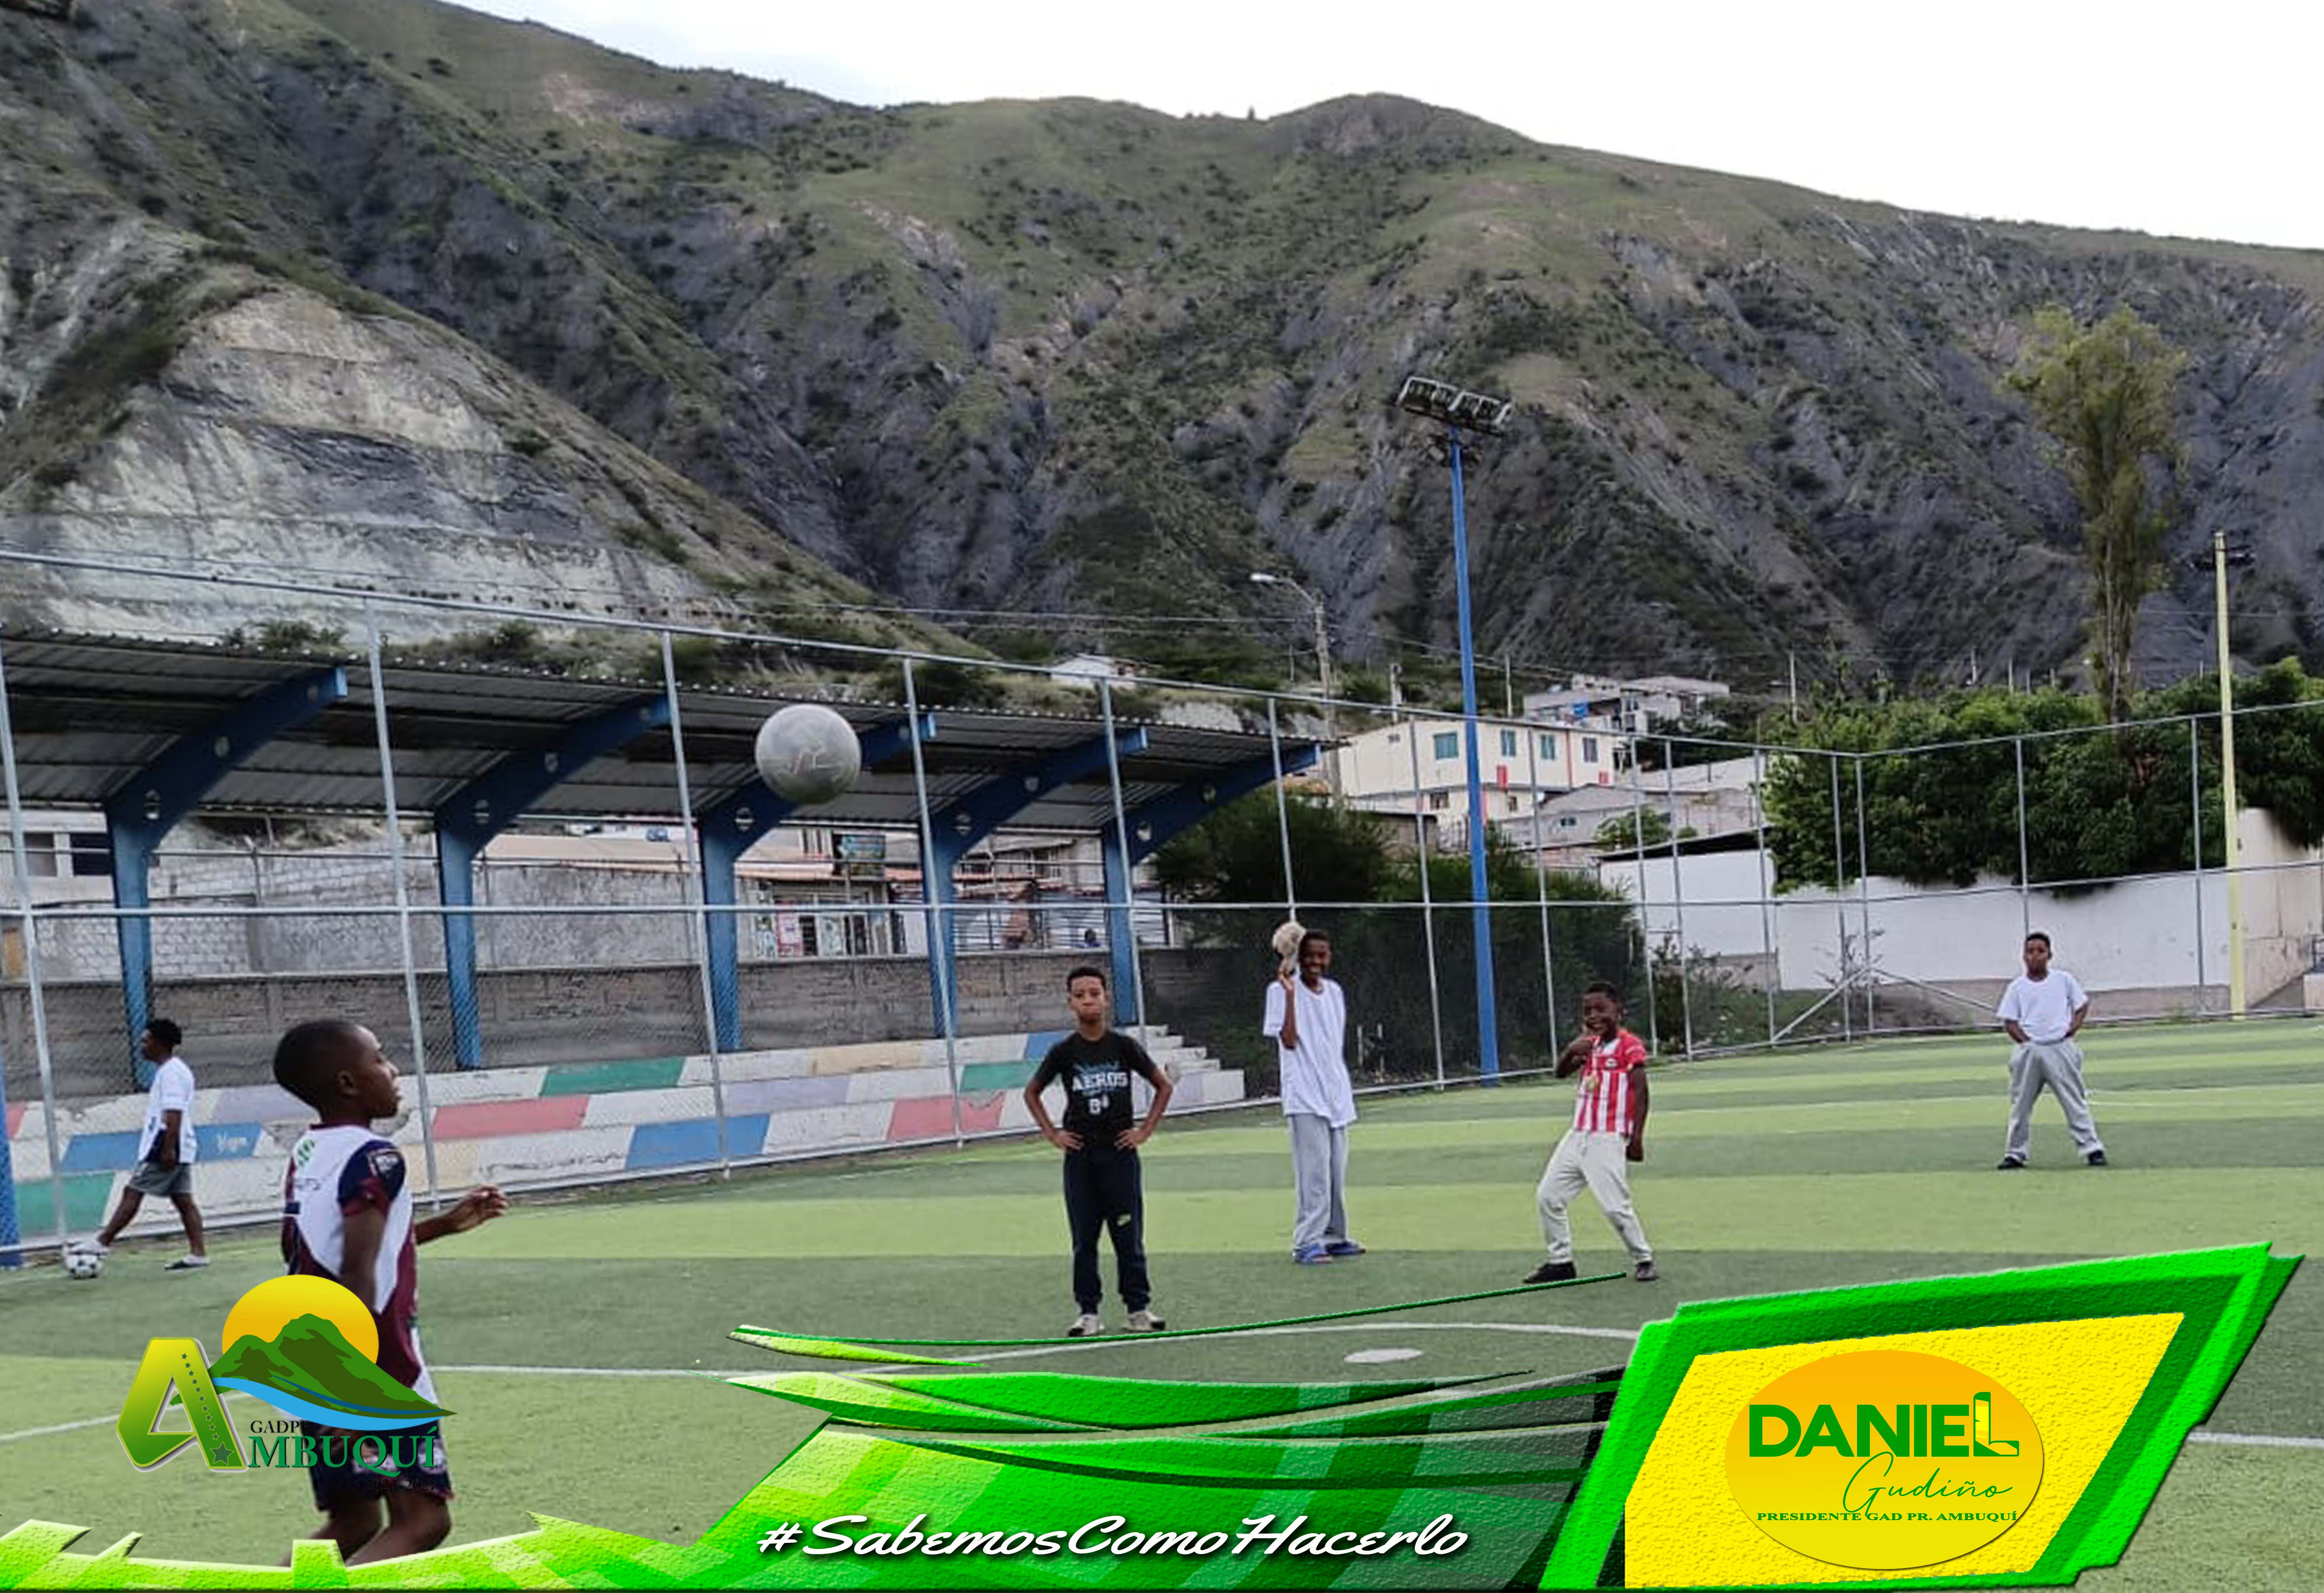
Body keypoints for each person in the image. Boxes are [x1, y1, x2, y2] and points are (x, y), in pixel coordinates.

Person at [273, 1019, 507, 1565]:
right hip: (374, 1364)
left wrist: (442, 1226)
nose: (393, 1069)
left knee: (354, 1522)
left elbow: (324, 1249)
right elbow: (357, 1270)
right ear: (348, 1083)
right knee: (422, 1521)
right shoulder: (378, 1157)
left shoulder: (307, 1152)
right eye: (379, 1058)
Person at [1024, 967, 1173, 1337]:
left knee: (1128, 1236)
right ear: (1070, 1003)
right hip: (1081, 1159)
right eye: (1080, 995)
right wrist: (1053, 1134)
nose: (1088, 1000)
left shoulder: (1124, 1047)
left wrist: (1144, 1131)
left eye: (1094, 993)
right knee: (1084, 1240)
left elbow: (1163, 1086)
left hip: (1120, 1156)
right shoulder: (1064, 1052)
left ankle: (1138, 1309)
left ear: (1106, 999)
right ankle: (1088, 1313)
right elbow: (1032, 1093)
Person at [1526, 981, 1658, 1285]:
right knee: (1548, 1196)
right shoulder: (1589, 1045)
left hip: (1607, 1137)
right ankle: (1561, 1262)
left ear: (1619, 1011)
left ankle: (1644, 1258)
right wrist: (1571, 1051)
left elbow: (1641, 1093)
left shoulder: (1629, 1046)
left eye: (1601, 1009)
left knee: (1614, 1207)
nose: (1594, 1016)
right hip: (1578, 1134)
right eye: (1588, 1011)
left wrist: (1636, 1138)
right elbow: (1560, 1073)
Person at [70, 1019, 209, 1270]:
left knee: (133, 1191)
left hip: (166, 1144)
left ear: (160, 1043)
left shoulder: (171, 1074)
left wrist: (168, 1148)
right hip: (178, 1144)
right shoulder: (171, 1071)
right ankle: (198, 1254)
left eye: (146, 1041)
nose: (141, 1046)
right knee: (183, 1200)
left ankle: (103, 1241)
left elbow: (174, 1112)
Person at [1263, 929, 1362, 1265]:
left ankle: (1334, 1236)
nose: (1316, 962)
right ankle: (1306, 1241)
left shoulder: (1334, 992)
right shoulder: (1279, 991)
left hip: (1336, 1094)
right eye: (1309, 955)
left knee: (1336, 1171)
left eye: (1322, 955)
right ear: (1297, 958)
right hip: (1305, 1095)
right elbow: (1289, 1040)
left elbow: (1331, 1043)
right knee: (1314, 1173)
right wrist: (1290, 994)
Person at [1995, 931, 2106, 1170]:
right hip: (2030, 1050)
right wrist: (2026, 1043)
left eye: (2041, 951)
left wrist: (2073, 1028)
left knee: (2074, 1100)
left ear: (2050, 955)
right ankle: (2015, 1153)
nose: (2035, 956)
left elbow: (2082, 1005)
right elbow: (2010, 1021)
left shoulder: (2063, 980)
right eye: (2030, 952)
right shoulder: (2017, 987)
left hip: (2060, 1048)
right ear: (2024, 956)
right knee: (2021, 1104)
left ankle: (2092, 1148)